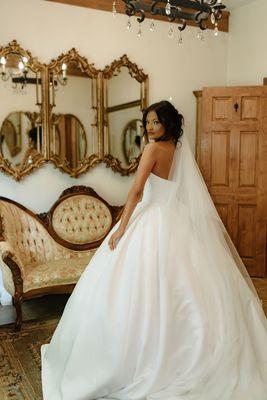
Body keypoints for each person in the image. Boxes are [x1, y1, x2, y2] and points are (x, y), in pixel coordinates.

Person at [41, 101, 267, 400]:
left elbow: (136, 191)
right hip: (175, 221)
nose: (149, 127)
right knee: (186, 288)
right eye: (147, 122)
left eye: (156, 122)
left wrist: (121, 228)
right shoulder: (178, 149)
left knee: (138, 289)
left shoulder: (152, 149)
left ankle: (137, 357)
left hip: (151, 219)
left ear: (168, 123)